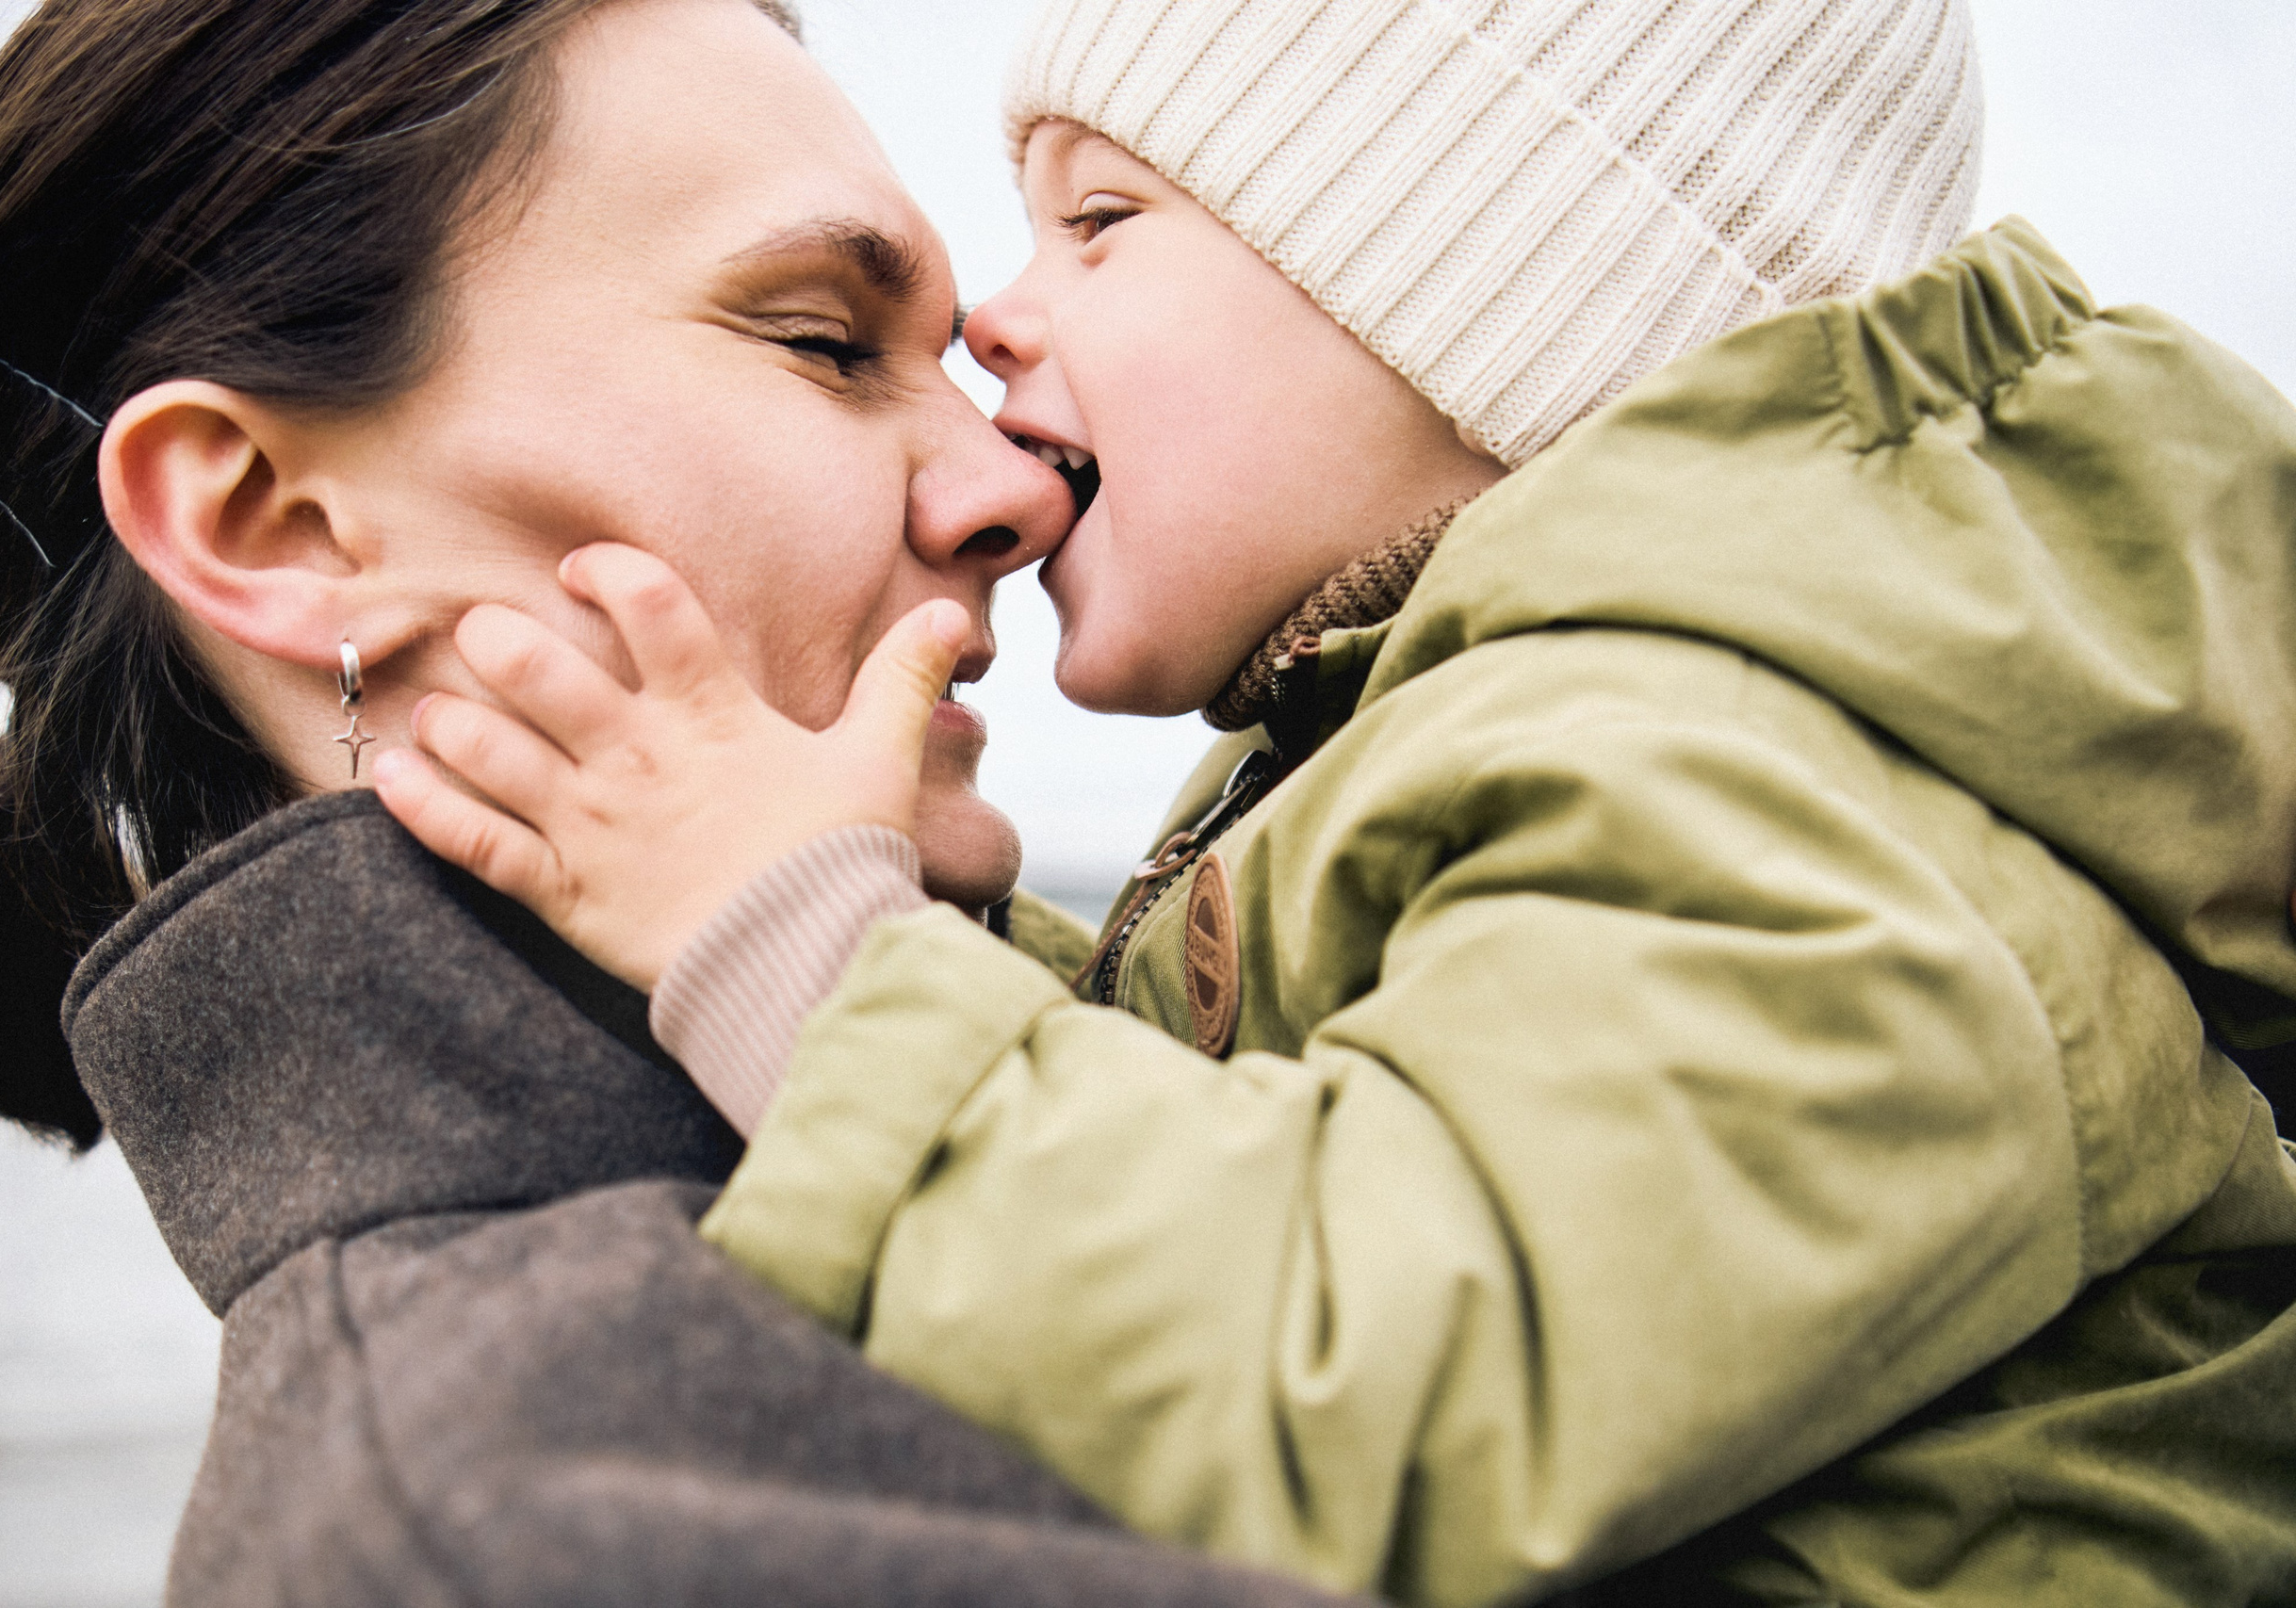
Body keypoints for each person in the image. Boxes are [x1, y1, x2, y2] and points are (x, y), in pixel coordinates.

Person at [383, 0, 2296, 1602]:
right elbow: (1272, 1134)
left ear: (1487, 286)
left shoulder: (1771, 794)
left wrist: (793, 931)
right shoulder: (1473, 739)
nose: (992, 319)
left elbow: (1366, 1385)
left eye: (1101, 220)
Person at [0, 0, 1377, 1602]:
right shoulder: (551, 1524)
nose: (1018, 484)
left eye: (947, 365)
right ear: (276, 526)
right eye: (821, 341)